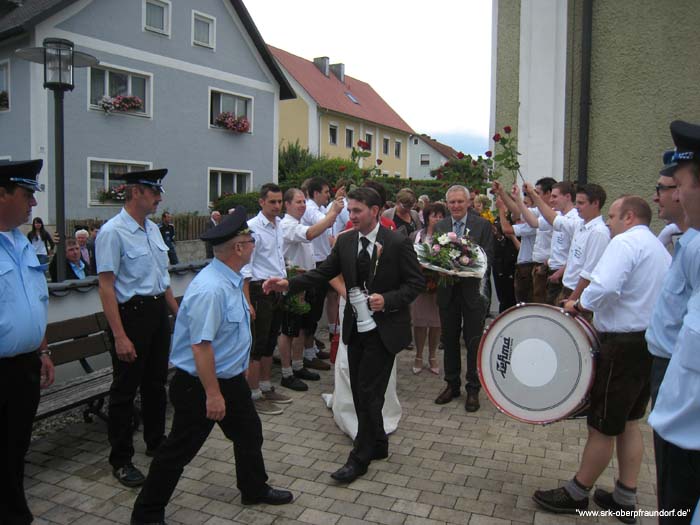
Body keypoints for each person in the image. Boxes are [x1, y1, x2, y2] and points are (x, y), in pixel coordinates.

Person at [130, 208, 293, 524]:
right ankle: (147, 513)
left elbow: (231, 336)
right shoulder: (211, 288)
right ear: (238, 248)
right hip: (201, 386)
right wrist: (213, 394)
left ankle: (253, 488)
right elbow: (201, 346)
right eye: (250, 239)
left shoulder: (230, 279)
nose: (254, 243)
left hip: (228, 381)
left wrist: (239, 370)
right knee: (179, 450)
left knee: (249, 434)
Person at [264, 187, 425, 483]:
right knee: (365, 390)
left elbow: (416, 283)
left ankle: (359, 458)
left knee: (367, 391)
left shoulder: (397, 242)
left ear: (375, 211)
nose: (350, 216)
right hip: (355, 328)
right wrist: (288, 284)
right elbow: (323, 272)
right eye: (349, 211)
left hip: (386, 330)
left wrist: (387, 300)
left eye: (357, 211)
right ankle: (378, 443)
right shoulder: (347, 240)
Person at [533, 196, 670, 519]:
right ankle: (624, 496)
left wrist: (578, 303)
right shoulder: (656, 247)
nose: (608, 223)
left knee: (602, 423)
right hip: (646, 343)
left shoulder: (625, 244)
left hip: (621, 345)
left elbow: (605, 286)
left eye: (612, 216)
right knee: (629, 422)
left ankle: (578, 493)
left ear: (630, 217)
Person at [96, 169, 180, 488]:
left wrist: (178, 314)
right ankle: (121, 459)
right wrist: (119, 335)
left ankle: (156, 441)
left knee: (157, 383)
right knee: (124, 390)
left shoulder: (153, 230)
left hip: (157, 312)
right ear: (134, 193)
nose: (159, 197)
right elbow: (106, 287)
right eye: (153, 191)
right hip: (131, 316)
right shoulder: (112, 232)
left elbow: (163, 280)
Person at [648, 120, 700, 524]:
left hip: (689, 428)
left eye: (679, 184)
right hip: (676, 397)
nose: (674, 194)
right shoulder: (687, 238)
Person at [1, 159, 55, 525]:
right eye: (25, 194)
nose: (32, 204)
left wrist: (44, 349)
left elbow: (36, 302)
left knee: (15, 448)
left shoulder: (22, 242)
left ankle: (14, 512)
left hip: (25, 365)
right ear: (1, 194)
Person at [433, 185, 494, 412]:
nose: (456, 206)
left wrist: (465, 266)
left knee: (473, 341)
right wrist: (438, 267)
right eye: (452, 202)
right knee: (448, 339)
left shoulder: (482, 225)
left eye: (460, 202)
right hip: (447, 292)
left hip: (473, 293)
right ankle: (451, 384)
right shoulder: (440, 226)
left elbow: (488, 258)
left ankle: (473, 388)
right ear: (447, 204)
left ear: (468, 203)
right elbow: (434, 253)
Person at [278, 188, 343, 391]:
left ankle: (298, 365)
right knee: (289, 330)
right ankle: (287, 372)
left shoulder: (297, 223)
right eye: (298, 202)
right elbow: (310, 233)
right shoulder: (287, 225)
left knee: (302, 327)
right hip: (293, 282)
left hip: (305, 281)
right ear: (287, 205)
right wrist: (332, 214)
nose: (302, 205)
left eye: (303, 202)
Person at [242, 183, 291, 415]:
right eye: (272, 201)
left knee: (270, 341)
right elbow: (246, 269)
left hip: (277, 290)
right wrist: (248, 302)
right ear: (261, 202)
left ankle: (265, 386)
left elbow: (278, 259)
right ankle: (252, 394)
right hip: (259, 290)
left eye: (280, 201)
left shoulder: (279, 225)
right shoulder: (252, 227)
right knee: (257, 344)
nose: (277, 206)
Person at [300, 177, 335, 370]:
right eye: (326, 192)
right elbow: (326, 222)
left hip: (322, 259)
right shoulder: (312, 209)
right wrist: (336, 209)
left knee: (318, 306)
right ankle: (307, 353)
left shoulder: (320, 208)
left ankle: (311, 348)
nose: (328, 195)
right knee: (312, 310)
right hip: (315, 263)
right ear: (315, 193)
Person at [410, 202, 446, 374]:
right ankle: (418, 355)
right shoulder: (416, 236)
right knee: (419, 322)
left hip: (439, 284)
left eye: (441, 216)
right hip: (419, 284)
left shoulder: (448, 238)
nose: (438, 219)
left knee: (436, 322)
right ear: (426, 218)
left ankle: (432, 356)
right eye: (434, 216)